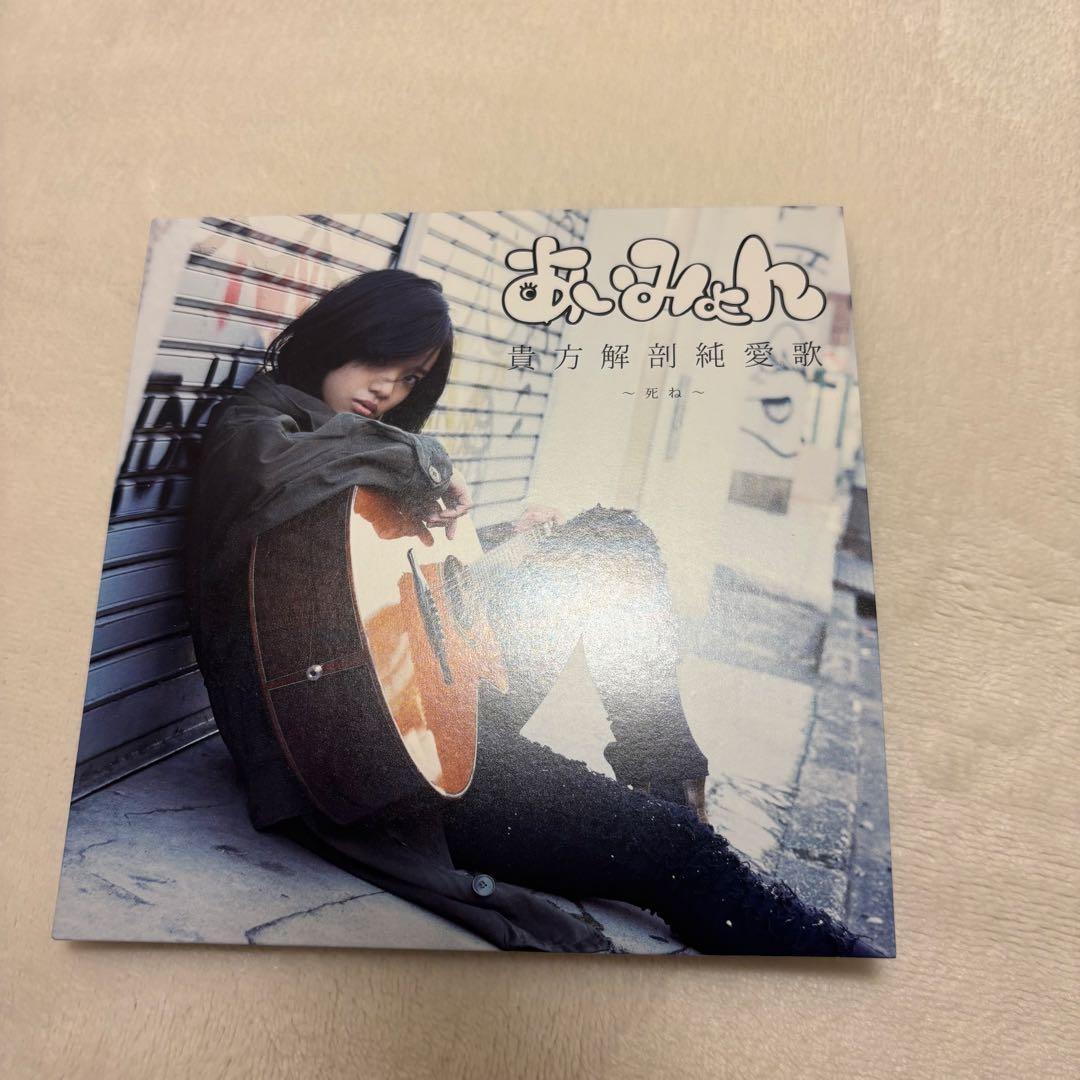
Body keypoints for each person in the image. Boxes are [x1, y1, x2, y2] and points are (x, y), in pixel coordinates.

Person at [186, 268, 879, 955]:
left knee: (613, 539)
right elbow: (273, 471)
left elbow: (379, 583)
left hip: (440, 697)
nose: (389, 389)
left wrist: (495, 542)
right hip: (398, 778)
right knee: (680, 852)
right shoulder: (261, 431)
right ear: (340, 335)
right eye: (379, 360)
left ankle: (664, 773)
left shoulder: (354, 443)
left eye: (410, 377)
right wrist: (425, 459)